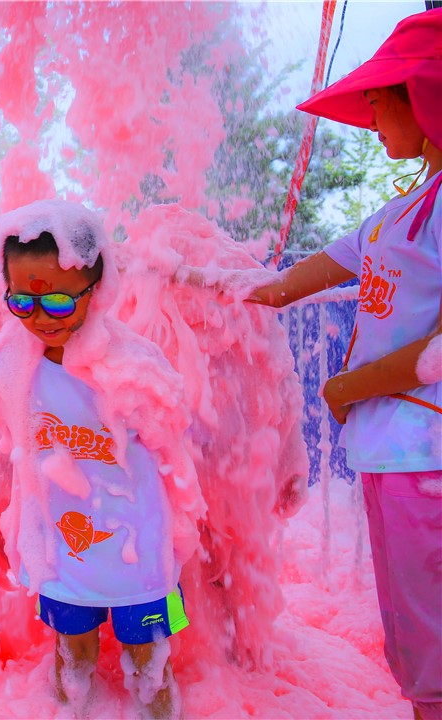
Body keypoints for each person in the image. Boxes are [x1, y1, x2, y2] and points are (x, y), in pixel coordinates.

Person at [213, 11, 440, 719]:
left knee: (432, 637)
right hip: (386, 455)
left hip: (426, 455)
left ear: (428, 97)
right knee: (413, 632)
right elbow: (281, 285)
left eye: (382, 94)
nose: (367, 109)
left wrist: (346, 386)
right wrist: (178, 272)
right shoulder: (396, 215)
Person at [0, 199, 203, 717]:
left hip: (141, 551)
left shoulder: (132, 366)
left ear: (94, 292)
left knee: (152, 662)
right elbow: (12, 452)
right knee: (72, 655)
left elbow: (176, 460)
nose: (39, 318)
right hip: (63, 547)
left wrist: (181, 535)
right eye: (22, 303)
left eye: (57, 303)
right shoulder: (11, 368)